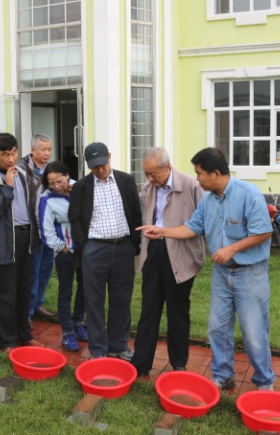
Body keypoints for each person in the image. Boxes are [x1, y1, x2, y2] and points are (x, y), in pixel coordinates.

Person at [138, 147, 276, 390]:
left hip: (249, 273)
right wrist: (162, 231)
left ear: (216, 173)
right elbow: (192, 227)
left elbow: (264, 232)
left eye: (200, 173)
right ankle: (223, 376)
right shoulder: (208, 200)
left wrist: (231, 249)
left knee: (253, 332)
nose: (197, 178)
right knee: (218, 327)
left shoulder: (249, 194)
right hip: (222, 273)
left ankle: (265, 382)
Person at [131, 147, 205, 376]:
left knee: (178, 311)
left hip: (181, 252)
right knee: (149, 309)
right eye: (146, 173)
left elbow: (203, 222)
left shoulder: (191, 185)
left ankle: (178, 364)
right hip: (154, 250)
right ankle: (141, 364)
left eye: (153, 173)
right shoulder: (148, 187)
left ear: (167, 167)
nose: (149, 178)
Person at [68, 142, 142, 360]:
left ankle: (118, 346)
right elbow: (75, 219)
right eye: (94, 167)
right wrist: (84, 247)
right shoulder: (81, 187)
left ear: (109, 157)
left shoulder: (126, 180)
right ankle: (98, 349)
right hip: (94, 249)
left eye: (102, 164)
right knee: (94, 301)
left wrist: (134, 244)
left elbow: (136, 213)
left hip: (123, 248)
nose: (99, 170)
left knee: (121, 299)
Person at [0, 133, 45, 353]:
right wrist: (7, 187)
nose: (11, 158)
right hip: (3, 242)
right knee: (6, 294)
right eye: (5, 154)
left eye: (14, 153)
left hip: (25, 238)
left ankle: (24, 335)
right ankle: (6, 342)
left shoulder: (22, 174)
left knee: (24, 292)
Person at [38, 161, 88, 352]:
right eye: (52, 184)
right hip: (65, 253)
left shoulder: (81, 188)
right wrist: (63, 248)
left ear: (67, 175)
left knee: (85, 288)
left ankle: (78, 322)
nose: (57, 186)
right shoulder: (47, 199)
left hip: (85, 249)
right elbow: (47, 231)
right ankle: (67, 332)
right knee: (65, 291)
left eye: (59, 181)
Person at [18, 134, 55, 325]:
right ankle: (27, 312)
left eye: (49, 149)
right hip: (33, 230)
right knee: (32, 272)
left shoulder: (51, 169)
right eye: (43, 149)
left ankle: (38, 304)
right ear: (33, 150)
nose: (47, 153)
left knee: (46, 269)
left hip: (49, 230)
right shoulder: (22, 170)